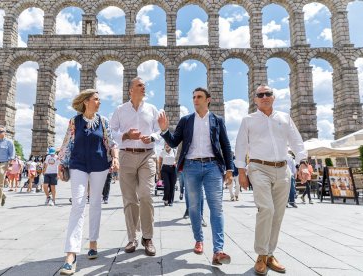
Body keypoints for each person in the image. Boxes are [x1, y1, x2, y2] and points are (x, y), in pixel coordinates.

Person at [235, 84, 306, 275]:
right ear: (255, 99)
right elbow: (240, 146)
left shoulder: (284, 118)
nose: (265, 96)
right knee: (266, 209)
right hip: (258, 168)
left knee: (278, 214)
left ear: (273, 97)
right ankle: (260, 254)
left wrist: (303, 163)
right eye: (260, 95)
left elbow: (297, 142)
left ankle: (269, 254)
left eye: (268, 94)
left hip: (282, 169)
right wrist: (241, 171)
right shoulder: (248, 120)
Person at [158, 87, 234, 266]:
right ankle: (199, 239)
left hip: (212, 166)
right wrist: (164, 131)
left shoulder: (217, 120)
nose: (195, 99)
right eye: (193, 97)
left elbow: (226, 145)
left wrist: (229, 170)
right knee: (194, 206)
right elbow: (174, 142)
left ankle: (218, 250)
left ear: (208, 99)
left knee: (216, 208)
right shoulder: (186, 120)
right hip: (191, 166)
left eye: (199, 97)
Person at [58, 89, 118, 275]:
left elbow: (111, 142)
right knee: (78, 204)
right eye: (96, 99)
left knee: (96, 204)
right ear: (86, 102)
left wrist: (115, 158)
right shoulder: (74, 122)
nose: (99, 102)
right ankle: (71, 254)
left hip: (100, 165)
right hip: (78, 165)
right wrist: (61, 164)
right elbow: (67, 144)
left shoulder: (103, 121)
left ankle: (93, 242)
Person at [110, 77, 159, 257]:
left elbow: (159, 130)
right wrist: (126, 135)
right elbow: (111, 131)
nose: (143, 88)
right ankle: (132, 238)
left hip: (147, 155)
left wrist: (152, 137)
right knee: (129, 199)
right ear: (131, 90)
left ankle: (148, 237)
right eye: (140, 85)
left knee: (146, 195)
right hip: (126, 155)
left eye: (144, 85)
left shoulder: (152, 109)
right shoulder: (120, 110)